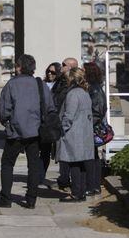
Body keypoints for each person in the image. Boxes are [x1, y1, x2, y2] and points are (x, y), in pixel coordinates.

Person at [0, 54, 55, 209]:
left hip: (15, 131)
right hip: (35, 132)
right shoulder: (40, 84)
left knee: (7, 164)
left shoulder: (12, 85)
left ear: (19, 67)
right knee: (33, 165)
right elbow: (49, 107)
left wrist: (5, 121)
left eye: (16, 65)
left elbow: (4, 108)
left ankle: (6, 199)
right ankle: (31, 199)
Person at [56, 68, 94, 202]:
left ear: (72, 78)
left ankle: (77, 193)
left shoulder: (73, 94)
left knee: (74, 164)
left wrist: (61, 130)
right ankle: (81, 192)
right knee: (81, 164)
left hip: (73, 134)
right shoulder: (85, 92)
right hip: (83, 133)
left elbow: (68, 116)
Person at [51, 57, 79, 189]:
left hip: (67, 123)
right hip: (58, 120)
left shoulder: (73, 84)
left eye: (64, 65)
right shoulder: (61, 81)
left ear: (71, 67)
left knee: (67, 153)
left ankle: (67, 180)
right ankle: (63, 178)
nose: (61, 67)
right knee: (61, 153)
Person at [83, 62, 107, 196]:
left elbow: (97, 111)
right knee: (93, 156)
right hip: (92, 125)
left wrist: (88, 125)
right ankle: (94, 185)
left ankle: (92, 185)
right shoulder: (94, 87)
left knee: (91, 157)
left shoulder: (94, 89)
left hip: (92, 126)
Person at [38, 62, 61, 187]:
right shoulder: (41, 84)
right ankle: (38, 175)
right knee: (41, 150)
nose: (49, 74)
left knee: (50, 151)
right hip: (41, 121)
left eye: (52, 72)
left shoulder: (60, 86)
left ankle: (41, 176)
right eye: (48, 71)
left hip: (52, 121)